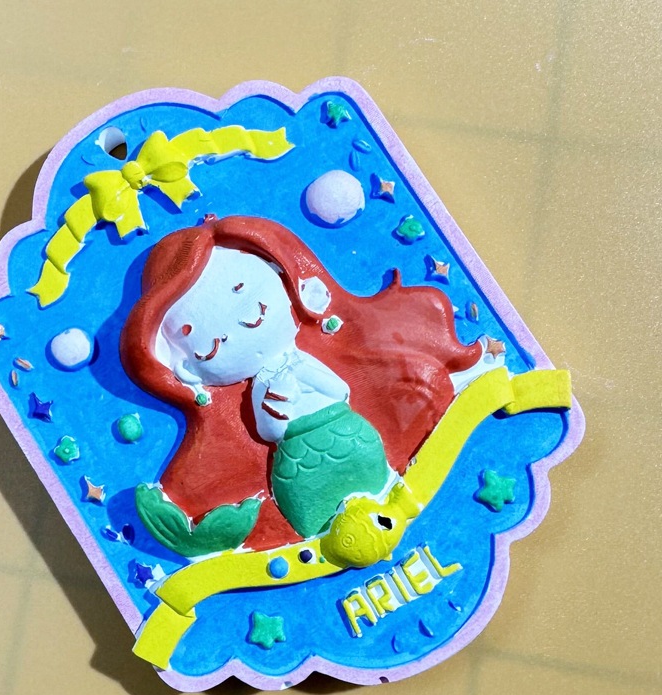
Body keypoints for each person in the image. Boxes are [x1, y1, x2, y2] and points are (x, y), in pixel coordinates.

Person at [121, 215, 485, 552]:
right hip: (296, 460)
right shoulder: (260, 387)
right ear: (185, 367)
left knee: (368, 467)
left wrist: (299, 384)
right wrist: (277, 410)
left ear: (283, 277)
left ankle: (389, 491)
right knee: (309, 500)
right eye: (197, 333)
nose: (239, 318)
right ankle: (318, 535)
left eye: (240, 289)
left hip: (345, 433)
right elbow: (269, 431)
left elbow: (340, 390)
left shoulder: (300, 362)